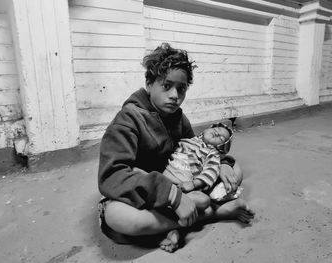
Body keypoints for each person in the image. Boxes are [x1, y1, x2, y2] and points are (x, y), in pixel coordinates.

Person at [98, 43, 254, 253]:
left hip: (183, 182)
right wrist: (173, 196)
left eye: (181, 89)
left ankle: (180, 218)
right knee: (117, 217)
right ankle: (214, 213)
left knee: (235, 171)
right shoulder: (128, 121)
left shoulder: (178, 117)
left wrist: (223, 164)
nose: (174, 95)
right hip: (146, 191)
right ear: (149, 83)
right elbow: (112, 175)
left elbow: (198, 147)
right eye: (166, 86)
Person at [163, 122, 243, 203]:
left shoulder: (212, 153)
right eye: (215, 129)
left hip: (183, 179)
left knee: (236, 169)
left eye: (221, 138)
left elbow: (211, 171)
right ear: (204, 131)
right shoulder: (192, 140)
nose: (217, 133)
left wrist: (193, 184)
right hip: (167, 171)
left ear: (221, 147)